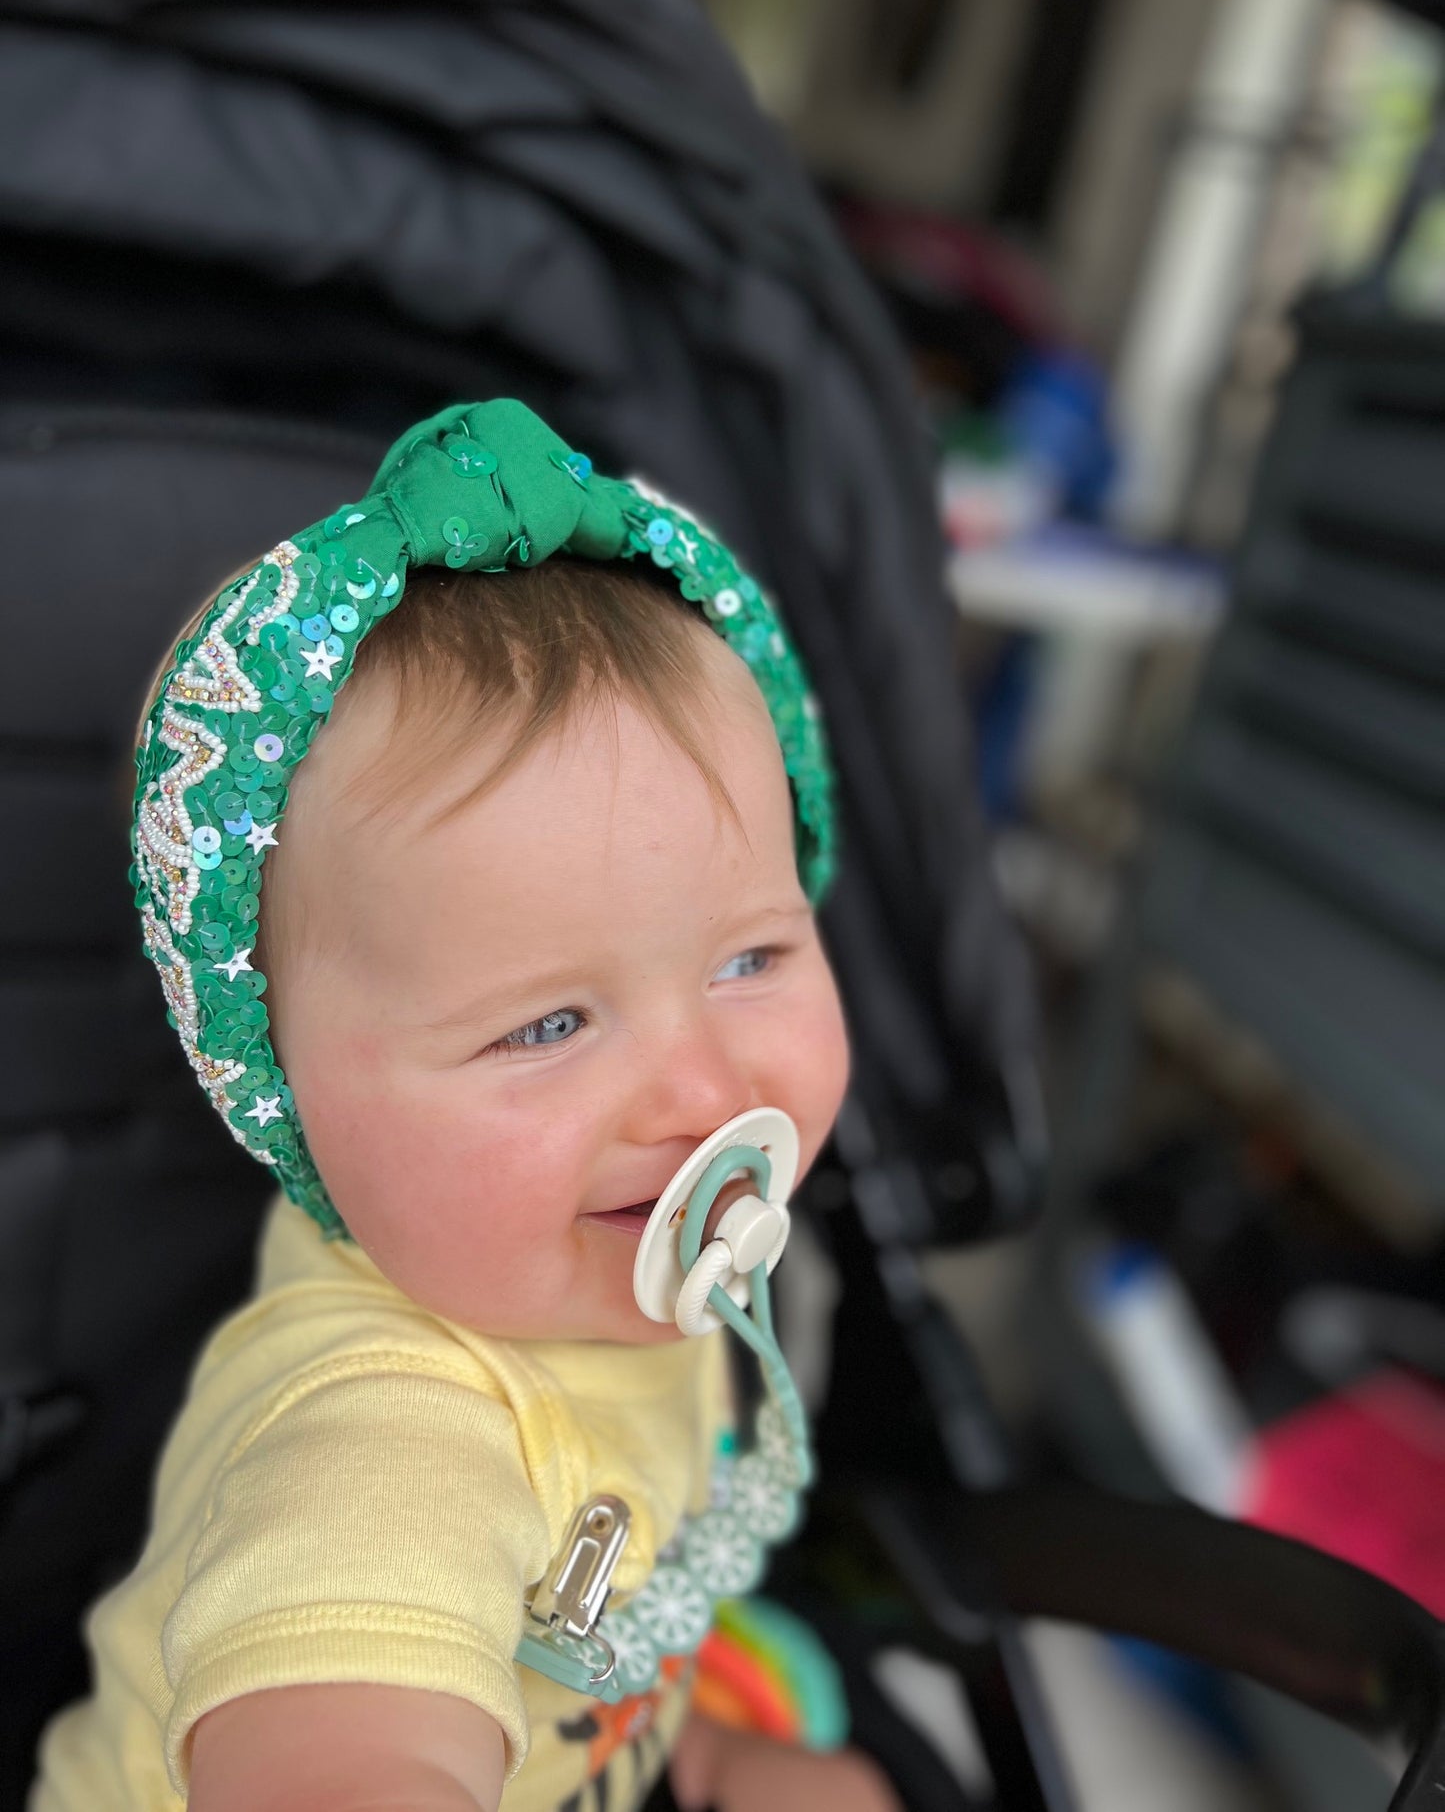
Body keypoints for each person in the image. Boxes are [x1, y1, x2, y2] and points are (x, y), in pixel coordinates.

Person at [30, 400, 899, 1812]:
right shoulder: (383, 1445)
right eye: (547, 1024)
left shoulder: (616, 1277)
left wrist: (703, 1754)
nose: (700, 1090)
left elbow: (574, 1661)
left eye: (750, 958)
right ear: (279, 1090)